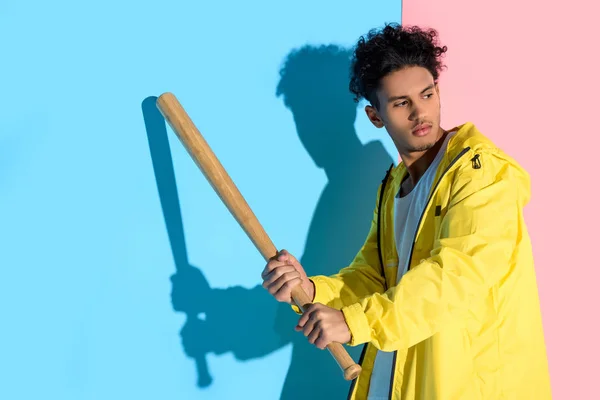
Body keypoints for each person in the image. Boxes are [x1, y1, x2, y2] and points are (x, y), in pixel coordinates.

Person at [261, 23, 551, 399]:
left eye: (427, 94)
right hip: (393, 384)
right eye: (401, 103)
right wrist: (311, 289)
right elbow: (373, 277)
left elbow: (454, 277)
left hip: (465, 387)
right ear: (375, 116)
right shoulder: (395, 184)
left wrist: (352, 322)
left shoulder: (481, 175)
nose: (420, 113)